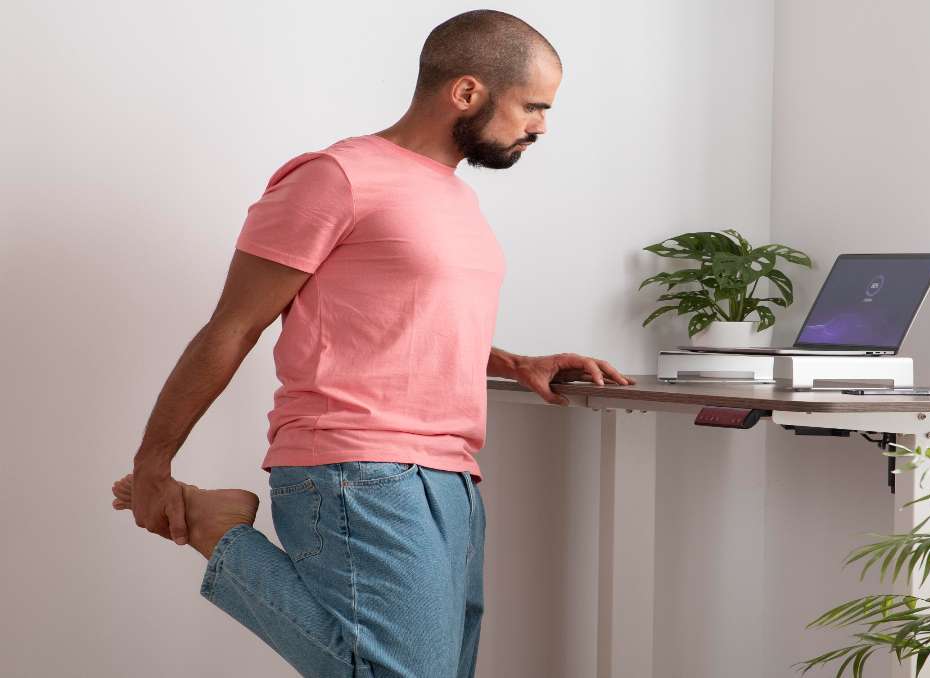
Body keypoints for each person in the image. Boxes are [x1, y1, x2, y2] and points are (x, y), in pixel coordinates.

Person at [110, 9, 635, 677]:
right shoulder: (336, 177)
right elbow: (233, 325)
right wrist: (155, 462)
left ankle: (220, 530)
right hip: (356, 468)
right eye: (532, 106)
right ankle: (216, 532)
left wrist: (514, 362)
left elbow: (405, 325)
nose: (541, 126)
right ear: (468, 92)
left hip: (452, 476)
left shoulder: (456, 200)